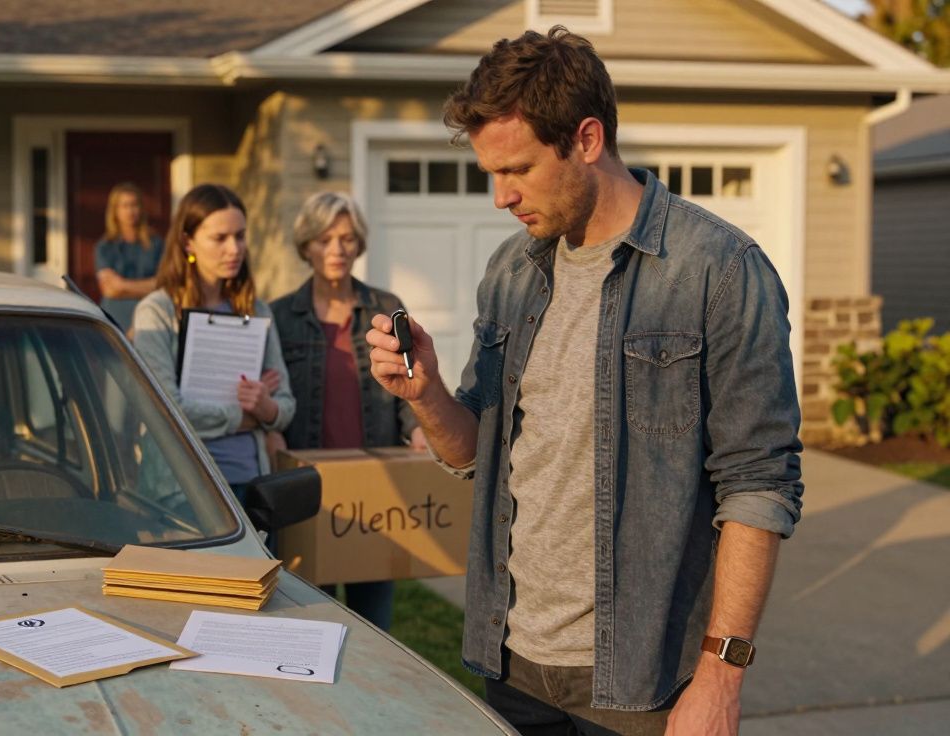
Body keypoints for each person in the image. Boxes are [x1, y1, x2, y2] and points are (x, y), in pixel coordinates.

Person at [365, 27, 803, 736]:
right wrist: (429, 396)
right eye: (490, 174)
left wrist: (721, 678)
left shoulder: (718, 270)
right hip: (510, 662)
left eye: (518, 170)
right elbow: (474, 451)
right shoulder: (512, 271)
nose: (500, 197)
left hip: (644, 681)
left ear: (587, 139)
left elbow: (759, 482)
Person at [270, 191, 428, 632]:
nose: (336, 250)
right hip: (305, 491)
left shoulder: (384, 308)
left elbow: (408, 381)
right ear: (306, 246)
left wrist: (416, 427)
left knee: (373, 628)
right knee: (306, 624)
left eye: (346, 238)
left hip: (371, 490)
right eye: (324, 239)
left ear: (359, 244)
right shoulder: (279, 316)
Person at [132, 184, 295, 502]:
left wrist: (267, 407)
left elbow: (286, 405)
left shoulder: (257, 310)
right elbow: (168, 413)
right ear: (187, 241)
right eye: (220, 238)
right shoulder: (157, 312)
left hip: (252, 486)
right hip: (182, 494)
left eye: (240, 236)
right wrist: (244, 418)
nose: (234, 249)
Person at [95, 182, 165, 331]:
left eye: (134, 205)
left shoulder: (156, 244)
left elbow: (162, 285)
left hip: (150, 317)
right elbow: (110, 290)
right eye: (124, 206)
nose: (130, 211)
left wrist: (122, 285)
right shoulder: (105, 246)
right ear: (115, 210)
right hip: (115, 320)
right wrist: (147, 285)